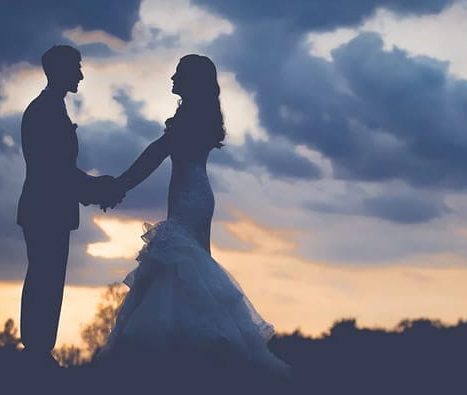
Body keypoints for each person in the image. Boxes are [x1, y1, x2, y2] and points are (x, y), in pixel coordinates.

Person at [96, 54, 290, 383]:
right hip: (197, 195)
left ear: (191, 81)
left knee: (184, 266)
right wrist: (118, 186)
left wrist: (118, 187)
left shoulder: (188, 119)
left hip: (189, 198)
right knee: (189, 271)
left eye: (178, 74)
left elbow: (154, 155)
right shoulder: (197, 116)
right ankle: (195, 362)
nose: (172, 78)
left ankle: (184, 362)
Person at [17, 45, 124, 368]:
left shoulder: (50, 108)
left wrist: (95, 186)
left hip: (48, 210)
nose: (80, 74)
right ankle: (36, 351)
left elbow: (58, 169)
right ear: (60, 71)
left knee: (47, 280)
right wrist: (98, 187)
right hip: (45, 211)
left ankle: (38, 350)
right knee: (44, 280)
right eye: (76, 67)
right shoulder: (44, 111)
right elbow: (54, 170)